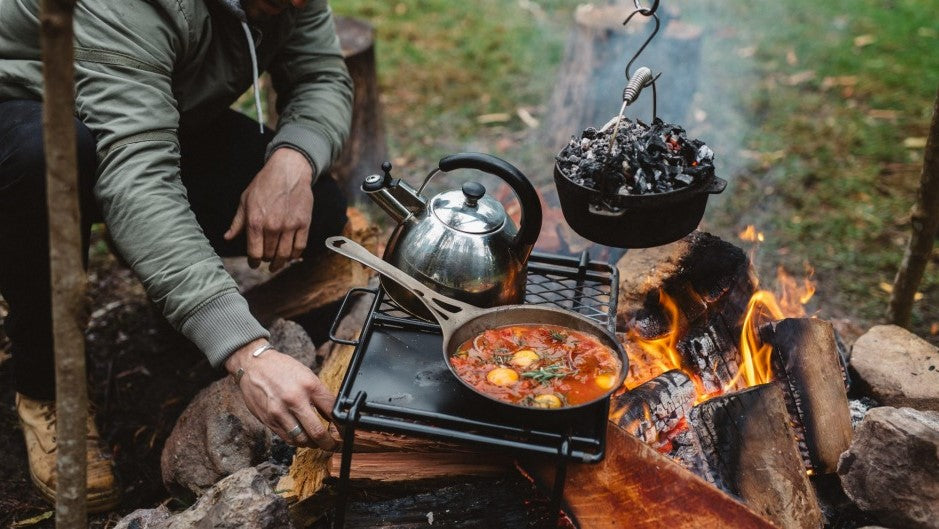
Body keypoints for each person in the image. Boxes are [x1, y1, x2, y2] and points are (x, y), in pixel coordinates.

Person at [0, 0, 353, 511]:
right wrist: (246, 350)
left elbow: (322, 77)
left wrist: (292, 160)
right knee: (48, 159)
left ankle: (159, 268)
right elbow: (138, 180)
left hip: (138, 104)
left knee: (319, 203)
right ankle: (46, 387)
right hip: (21, 113)